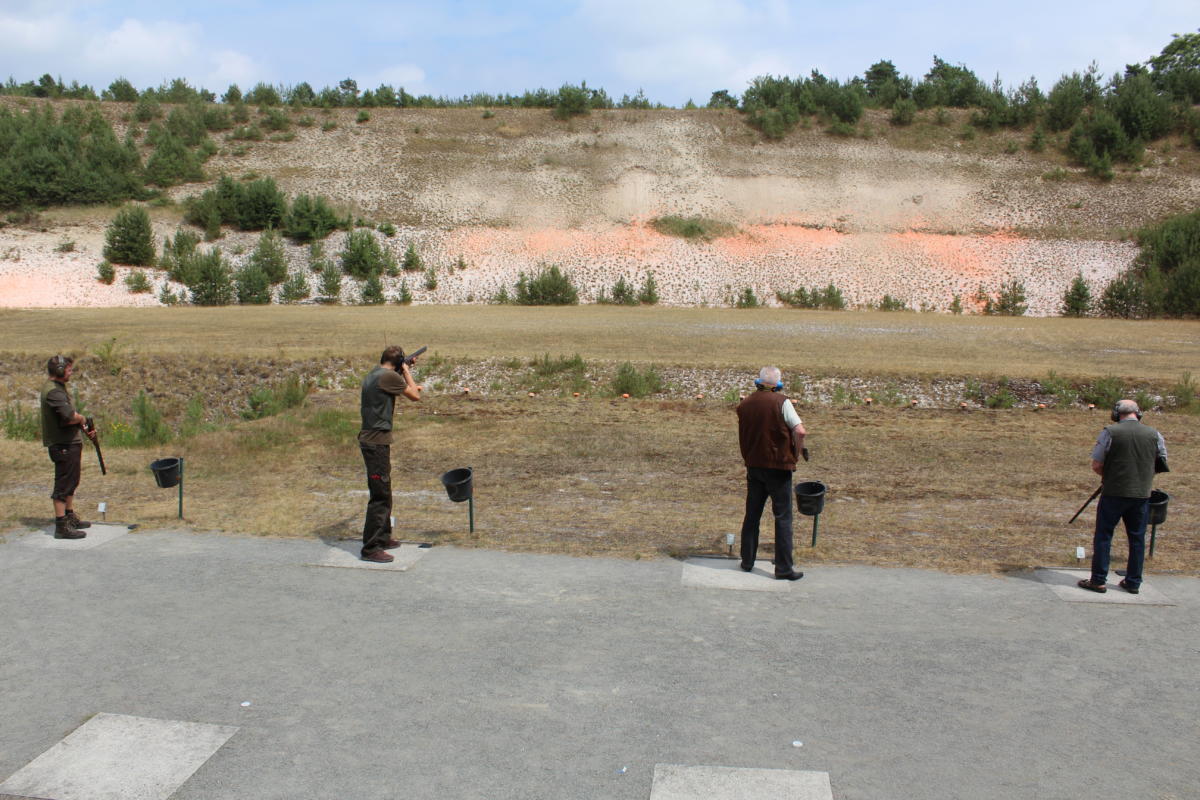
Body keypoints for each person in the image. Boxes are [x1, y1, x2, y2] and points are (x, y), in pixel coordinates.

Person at [1078, 399, 1167, 595]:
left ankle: (1098, 581)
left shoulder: (1110, 432)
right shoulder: (1155, 434)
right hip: (1142, 495)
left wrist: (1111, 478)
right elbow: (1160, 462)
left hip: (1113, 493)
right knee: (1137, 539)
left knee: (1103, 536)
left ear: (1117, 414)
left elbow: (1096, 465)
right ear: (1138, 413)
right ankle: (1133, 582)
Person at [736, 366, 808, 580]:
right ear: (777, 384)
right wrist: (798, 450)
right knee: (783, 518)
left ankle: (747, 561)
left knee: (752, 515)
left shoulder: (745, 404)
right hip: (779, 468)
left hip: (754, 466)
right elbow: (800, 430)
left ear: (758, 381)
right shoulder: (782, 402)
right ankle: (784, 568)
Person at [358, 346, 422, 563]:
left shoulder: (375, 374)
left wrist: (401, 369)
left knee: (384, 490)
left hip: (374, 441)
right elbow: (414, 395)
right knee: (380, 497)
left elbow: (395, 387)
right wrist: (406, 371)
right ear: (397, 363)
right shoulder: (388, 376)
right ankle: (371, 548)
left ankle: (384, 537)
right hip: (376, 443)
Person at [40, 355, 97, 539]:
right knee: (63, 484)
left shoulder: (58, 388)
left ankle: (69, 515)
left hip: (69, 443)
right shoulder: (54, 392)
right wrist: (81, 418)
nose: (71, 372)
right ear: (59, 371)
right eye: (69, 369)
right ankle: (61, 526)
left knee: (72, 481)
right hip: (63, 444)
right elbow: (68, 416)